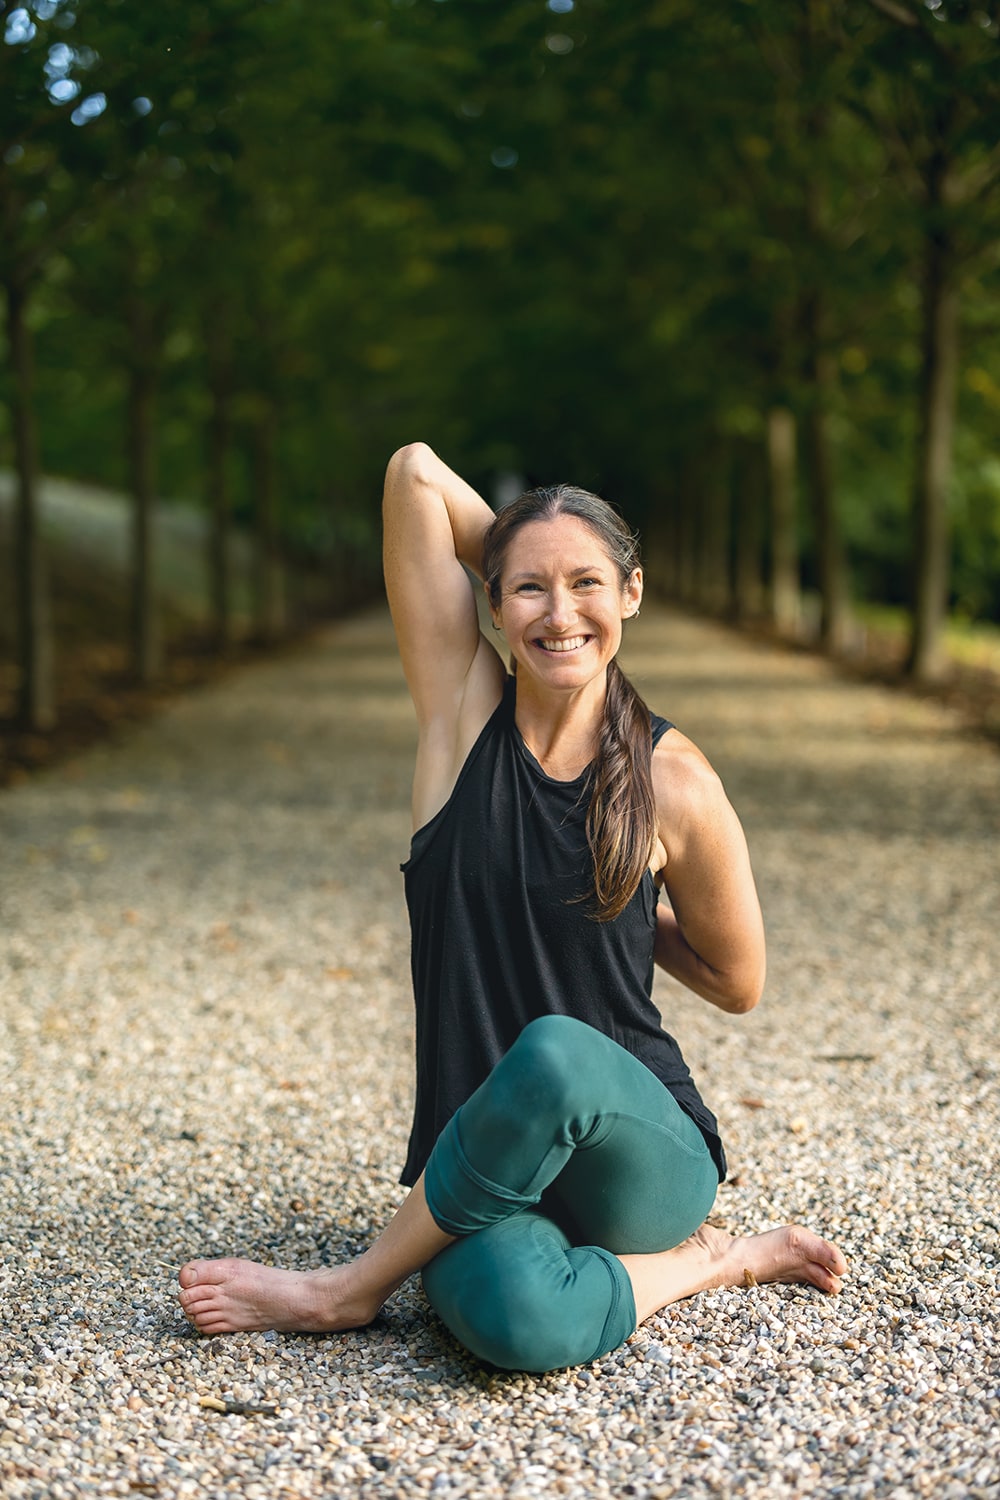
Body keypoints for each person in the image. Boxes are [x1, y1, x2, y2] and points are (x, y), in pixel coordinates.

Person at [178, 443, 847, 1371]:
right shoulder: (459, 721)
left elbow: (740, 981)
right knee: (518, 1324)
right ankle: (718, 1264)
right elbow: (414, 474)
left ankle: (345, 1292)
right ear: (491, 605)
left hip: (636, 1167)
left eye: (589, 585)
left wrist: (620, 911)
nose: (561, 613)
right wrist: (533, 551)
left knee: (556, 1051)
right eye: (528, 590)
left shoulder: (675, 783)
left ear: (633, 594)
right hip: (481, 1163)